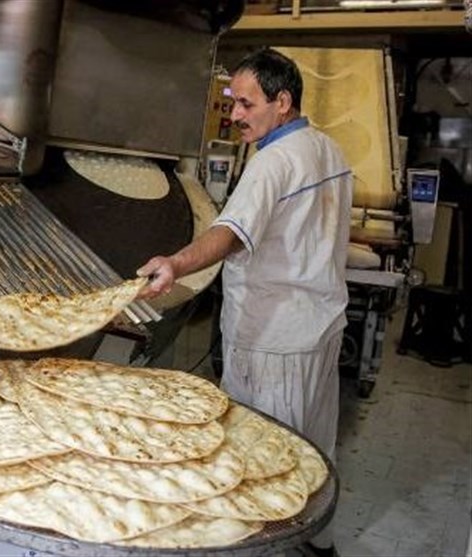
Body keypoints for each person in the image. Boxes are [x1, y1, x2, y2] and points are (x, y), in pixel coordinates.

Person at [137, 48, 351, 557]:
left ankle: (270, 549)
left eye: (246, 104)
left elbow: (228, 233)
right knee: (313, 450)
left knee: (264, 463)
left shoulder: (273, 162)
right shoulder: (329, 150)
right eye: (233, 103)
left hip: (272, 339)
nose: (234, 115)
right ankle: (317, 544)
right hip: (319, 329)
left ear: (283, 102)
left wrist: (176, 263)